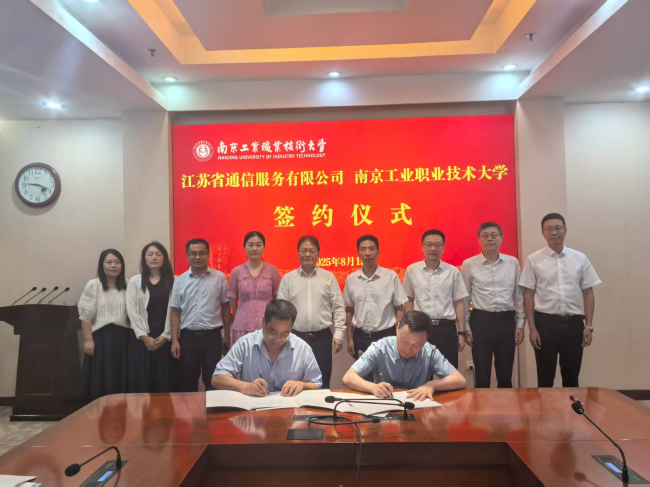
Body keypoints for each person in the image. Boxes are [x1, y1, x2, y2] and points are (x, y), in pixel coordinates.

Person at [519, 213, 601, 387]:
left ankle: (571, 406)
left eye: (557, 228)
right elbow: (528, 295)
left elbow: (588, 292)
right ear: (543, 233)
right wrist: (532, 328)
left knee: (571, 377)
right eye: (549, 229)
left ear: (565, 230)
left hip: (574, 323)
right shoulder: (534, 259)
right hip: (545, 323)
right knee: (545, 377)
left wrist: (589, 326)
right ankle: (545, 406)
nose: (554, 232)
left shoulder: (579, 258)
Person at [342, 311, 466, 401]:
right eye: (404, 341)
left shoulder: (429, 352)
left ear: (425, 341)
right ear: (398, 329)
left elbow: (460, 380)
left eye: (416, 345)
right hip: (384, 409)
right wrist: (373, 387)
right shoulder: (380, 348)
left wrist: (431, 385)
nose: (408, 348)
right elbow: (348, 377)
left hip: (417, 408)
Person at [212, 299, 322, 396]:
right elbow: (217, 378)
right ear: (263, 321)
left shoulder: (302, 348)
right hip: (253, 409)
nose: (278, 339)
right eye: (272, 332)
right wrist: (246, 387)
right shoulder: (245, 344)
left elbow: (316, 384)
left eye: (284, 334)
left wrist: (303, 385)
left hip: (289, 409)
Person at [461, 222, 525, 388]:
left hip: (506, 320)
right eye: (485, 236)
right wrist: (466, 327)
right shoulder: (469, 264)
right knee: (482, 375)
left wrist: (520, 324)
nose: (490, 239)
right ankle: (481, 405)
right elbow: (465, 298)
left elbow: (518, 296)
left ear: (501, 238)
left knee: (505, 374)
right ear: (479, 239)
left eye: (494, 235)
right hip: (481, 320)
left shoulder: (513, 263)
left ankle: (505, 404)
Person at [277, 236, 345, 389]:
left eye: (311, 251)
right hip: (295, 338)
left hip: (322, 339)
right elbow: (281, 310)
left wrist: (339, 334)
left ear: (318, 253)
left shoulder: (328, 277)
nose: (307, 254)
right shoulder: (288, 279)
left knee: (322, 383)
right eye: (304, 251)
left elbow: (338, 308)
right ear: (298, 253)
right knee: (294, 381)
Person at [169, 238, 230, 392]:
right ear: (187, 256)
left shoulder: (219, 277)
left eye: (202, 253)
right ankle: (190, 409)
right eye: (193, 253)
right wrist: (175, 340)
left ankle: (213, 408)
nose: (197, 257)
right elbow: (175, 311)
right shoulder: (180, 280)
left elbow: (225, 306)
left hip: (212, 337)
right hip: (188, 338)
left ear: (208, 255)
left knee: (213, 380)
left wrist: (227, 335)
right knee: (187, 380)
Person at [403, 229, 469, 370]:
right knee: (420, 374)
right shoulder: (412, 270)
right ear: (422, 247)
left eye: (437, 245)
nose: (433, 248)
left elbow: (459, 303)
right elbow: (409, 300)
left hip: (447, 330)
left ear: (443, 247)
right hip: (421, 329)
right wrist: (409, 328)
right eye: (429, 244)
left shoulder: (452, 272)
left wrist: (461, 333)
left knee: (449, 374)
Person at [344, 235, 407, 359]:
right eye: (363, 249)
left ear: (378, 252)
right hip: (360, 337)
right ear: (358, 254)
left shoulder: (391, 276)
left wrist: (399, 335)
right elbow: (349, 310)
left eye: (371, 248)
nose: (367, 253)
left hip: (386, 335)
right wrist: (349, 339)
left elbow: (400, 307)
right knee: (362, 371)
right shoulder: (351, 279)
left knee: (387, 370)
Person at [78, 249, 129, 403]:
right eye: (109, 262)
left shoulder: (128, 284)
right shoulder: (93, 285)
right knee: (100, 378)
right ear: (102, 265)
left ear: (122, 265)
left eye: (117, 262)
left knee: (122, 375)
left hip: (124, 338)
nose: (113, 266)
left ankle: (121, 410)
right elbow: (86, 315)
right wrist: (88, 340)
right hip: (101, 339)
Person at [126, 242, 174, 393]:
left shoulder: (174, 280)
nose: (154, 257)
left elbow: (177, 311)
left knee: (166, 378)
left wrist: (166, 335)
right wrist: (144, 336)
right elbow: (131, 310)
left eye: (158, 254)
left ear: (164, 258)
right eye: (150, 254)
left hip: (166, 335)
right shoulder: (135, 281)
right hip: (141, 336)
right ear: (144, 258)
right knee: (143, 378)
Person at [228, 231, 281, 347]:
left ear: (264, 247)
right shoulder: (237, 271)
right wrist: (239, 315)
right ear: (244, 248)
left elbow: (278, 298)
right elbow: (232, 298)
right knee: (243, 356)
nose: (254, 248)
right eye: (250, 245)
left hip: (267, 325)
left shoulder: (272, 270)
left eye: (258, 245)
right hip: (242, 325)